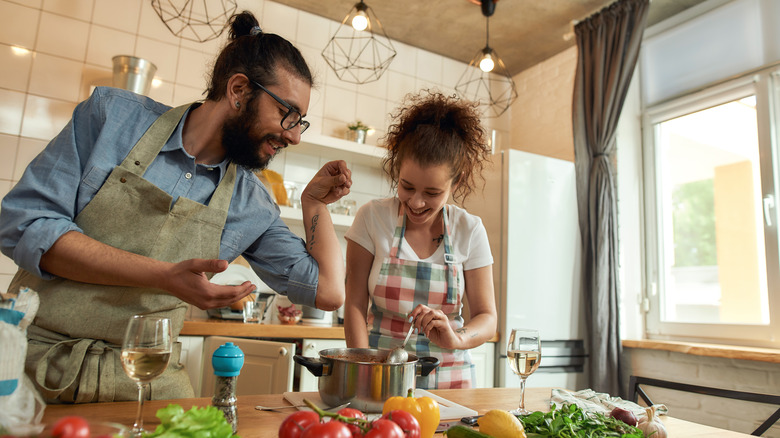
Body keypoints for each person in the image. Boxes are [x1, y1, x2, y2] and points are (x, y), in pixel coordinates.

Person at [0, 11, 351, 403]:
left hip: (146, 379)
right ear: (238, 90)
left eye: (299, 122)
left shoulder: (250, 202)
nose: (294, 136)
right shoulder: (111, 118)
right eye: (288, 114)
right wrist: (163, 275)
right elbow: (24, 225)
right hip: (31, 363)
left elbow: (329, 292)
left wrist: (315, 202)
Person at [344, 90, 498, 389]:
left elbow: (486, 316)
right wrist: (363, 367)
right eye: (407, 186)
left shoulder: (470, 229)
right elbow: (354, 305)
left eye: (432, 193)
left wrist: (457, 337)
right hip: (380, 377)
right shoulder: (372, 217)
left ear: (457, 181)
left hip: (453, 379)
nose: (415, 203)